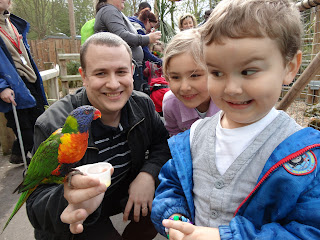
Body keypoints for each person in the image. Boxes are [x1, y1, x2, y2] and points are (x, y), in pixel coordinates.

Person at [151, 0, 320, 239]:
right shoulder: (195, 135)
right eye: (217, 72)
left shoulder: (305, 154)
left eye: (248, 71)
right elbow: (171, 186)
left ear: (289, 67)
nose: (231, 89)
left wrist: (225, 236)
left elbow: (310, 230)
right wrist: (177, 223)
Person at [26, 32, 171, 240]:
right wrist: (70, 200)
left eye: (121, 71)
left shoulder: (143, 105)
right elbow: (35, 204)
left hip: (120, 194)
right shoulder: (53, 125)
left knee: (163, 205)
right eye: (101, 73)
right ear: (83, 76)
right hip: (78, 219)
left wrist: (148, 174)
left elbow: (163, 145)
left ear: (132, 71)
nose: (113, 84)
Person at [0, 0, 47, 164]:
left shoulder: (12, 23)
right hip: (13, 84)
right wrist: (1, 87)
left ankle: (18, 154)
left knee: (40, 123)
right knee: (25, 129)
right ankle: (36, 167)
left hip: (30, 80)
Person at [162, 29, 220, 136]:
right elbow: (174, 134)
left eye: (194, 75)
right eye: (175, 77)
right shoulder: (171, 104)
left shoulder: (227, 100)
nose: (184, 87)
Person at [94, 0, 161, 91]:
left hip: (128, 67)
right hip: (121, 67)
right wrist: (148, 39)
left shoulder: (112, 11)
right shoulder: (109, 11)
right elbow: (122, 36)